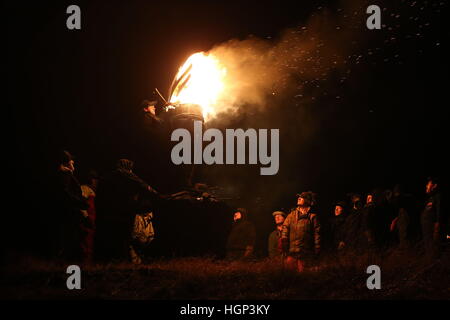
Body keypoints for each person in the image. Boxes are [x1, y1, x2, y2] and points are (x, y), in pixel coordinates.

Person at [95, 159, 160, 262]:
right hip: (124, 211)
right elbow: (144, 187)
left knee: (110, 237)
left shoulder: (106, 177)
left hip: (107, 212)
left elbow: (99, 194)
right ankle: (123, 261)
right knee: (125, 237)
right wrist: (157, 195)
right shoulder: (128, 176)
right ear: (129, 168)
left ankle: (110, 260)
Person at [55, 150, 88, 263]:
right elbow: (65, 192)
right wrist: (81, 203)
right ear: (66, 163)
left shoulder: (62, 174)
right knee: (72, 241)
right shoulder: (65, 174)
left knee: (68, 240)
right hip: (69, 212)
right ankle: (72, 269)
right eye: (71, 161)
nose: (73, 162)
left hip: (68, 211)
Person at [281, 192, 320, 272]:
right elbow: (285, 227)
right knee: (289, 274)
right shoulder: (291, 215)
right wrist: (284, 238)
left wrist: (317, 247)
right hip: (292, 252)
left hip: (305, 253)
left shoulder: (312, 217)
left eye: (302, 197)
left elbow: (317, 233)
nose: (299, 198)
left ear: (308, 201)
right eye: (299, 197)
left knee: (303, 274)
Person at [80, 170, 99, 264]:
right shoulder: (84, 188)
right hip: (86, 221)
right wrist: (86, 217)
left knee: (89, 242)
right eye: (95, 179)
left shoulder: (91, 190)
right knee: (85, 243)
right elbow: (81, 204)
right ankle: (84, 264)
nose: (96, 182)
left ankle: (88, 264)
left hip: (91, 220)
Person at [421, 176, 441, 258]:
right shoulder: (430, 198)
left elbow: (440, 213)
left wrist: (437, 227)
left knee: (433, 251)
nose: (426, 186)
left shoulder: (439, 197)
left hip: (432, 232)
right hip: (427, 233)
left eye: (428, 184)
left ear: (434, 185)